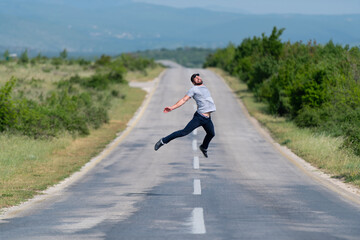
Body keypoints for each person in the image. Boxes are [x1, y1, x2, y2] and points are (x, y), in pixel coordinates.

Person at [154, 73, 216, 158]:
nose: (197, 78)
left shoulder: (205, 87)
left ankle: (203, 147)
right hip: (199, 117)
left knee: (211, 133)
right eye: (195, 78)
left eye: (198, 76)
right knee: (183, 132)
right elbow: (184, 99)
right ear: (193, 82)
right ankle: (163, 141)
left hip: (207, 118)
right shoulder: (194, 89)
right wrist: (172, 107)